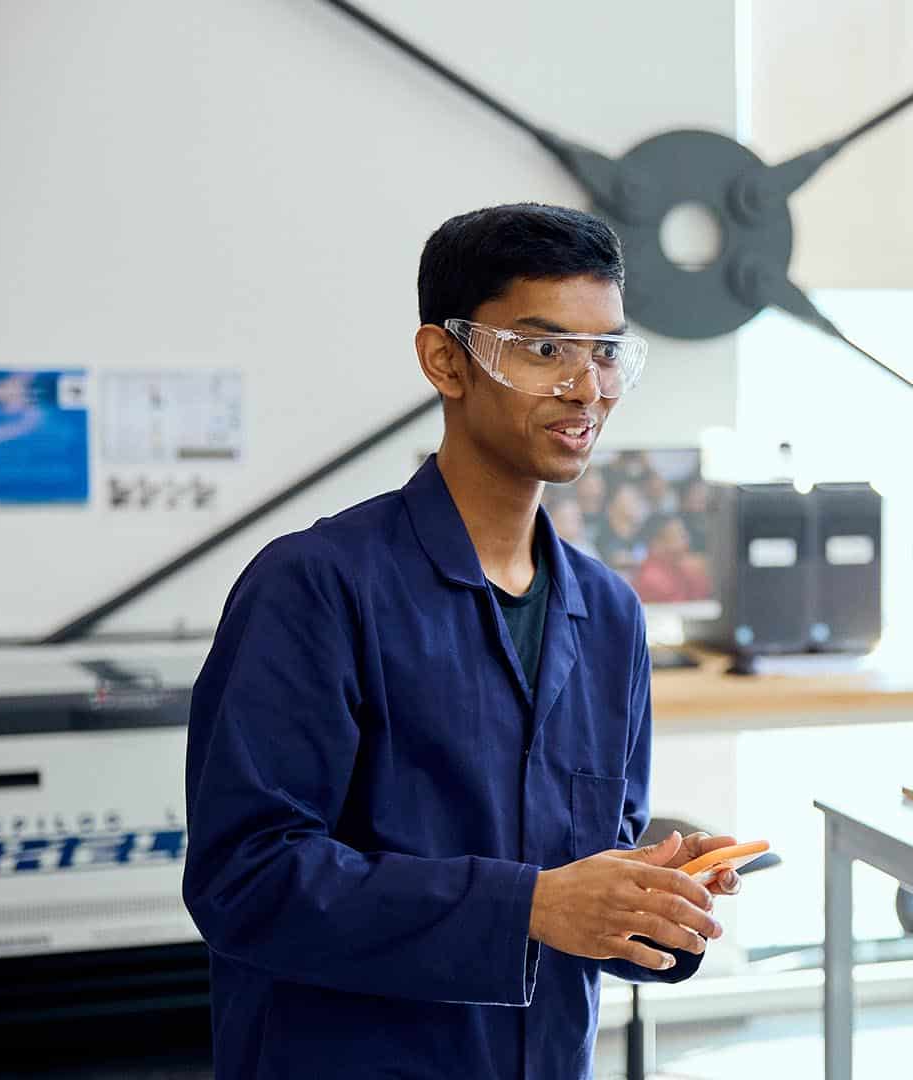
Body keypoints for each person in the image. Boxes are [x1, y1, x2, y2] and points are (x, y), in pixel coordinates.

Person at [182, 203, 746, 1078]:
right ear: (447, 359)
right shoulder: (316, 585)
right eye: (544, 348)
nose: (586, 387)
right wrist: (531, 905)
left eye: (605, 352)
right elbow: (247, 880)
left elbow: (578, 868)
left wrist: (647, 889)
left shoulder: (607, 613)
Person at [633, 515, 714, 604]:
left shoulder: (682, 567)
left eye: (685, 535)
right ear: (657, 544)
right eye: (679, 536)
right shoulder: (651, 579)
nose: (686, 541)